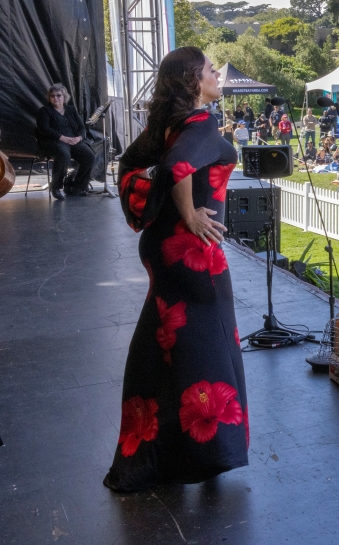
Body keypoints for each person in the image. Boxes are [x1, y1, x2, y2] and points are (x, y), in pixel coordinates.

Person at [107, 46, 247, 492]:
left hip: (163, 251)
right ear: (193, 81)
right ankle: (206, 455)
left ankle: (155, 455)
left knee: (160, 350)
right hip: (195, 255)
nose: (216, 75)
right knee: (206, 350)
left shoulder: (164, 124)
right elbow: (176, 165)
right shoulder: (200, 123)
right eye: (210, 70)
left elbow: (131, 165)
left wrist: (162, 205)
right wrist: (188, 214)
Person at [36, 83, 96, 199]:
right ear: (49, 98)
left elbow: (81, 127)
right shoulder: (44, 111)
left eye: (58, 95)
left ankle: (77, 186)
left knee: (90, 156)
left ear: (64, 97)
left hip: (73, 140)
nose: (55, 98)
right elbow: (44, 129)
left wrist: (79, 138)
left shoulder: (71, 109)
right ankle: (56, 187)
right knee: (64, 154)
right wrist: (63, 138)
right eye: (52, 96)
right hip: (54, 141)